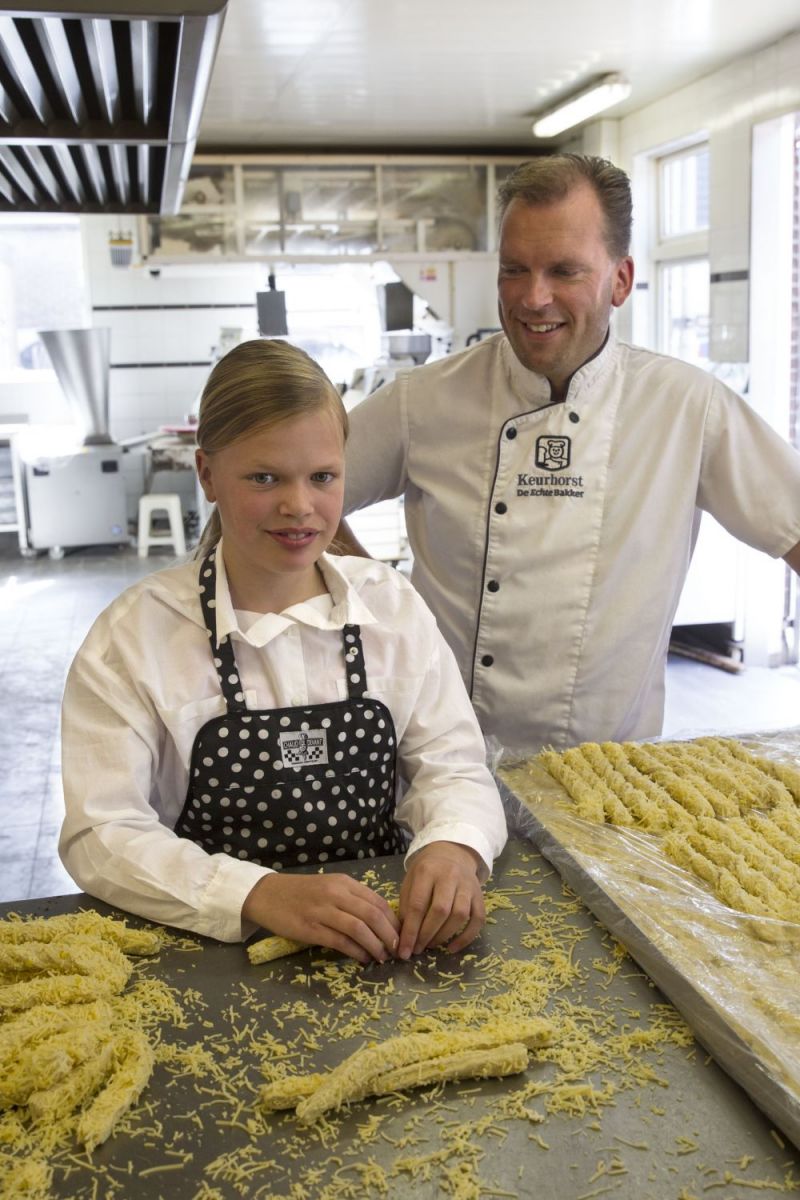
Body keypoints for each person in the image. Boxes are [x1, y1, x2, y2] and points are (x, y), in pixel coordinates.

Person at [59, 339, 507, 963]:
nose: (299, 506)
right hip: (210, 948)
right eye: (264, 477)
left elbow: (452, 762)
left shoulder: (391, 608)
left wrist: (454, 844)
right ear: (208, 474)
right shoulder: (135, 638)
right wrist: (256, 893)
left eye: (322, 477)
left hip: (383, 938)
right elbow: (101, 833)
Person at [340, 153, 800, 756]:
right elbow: (286, 502)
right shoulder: (424, 401)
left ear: (621, 279)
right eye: (514, 269)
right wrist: (381, 605)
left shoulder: (687, 407)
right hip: (439, 769)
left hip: (611, 779)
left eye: (564, 271)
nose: (533, 298)